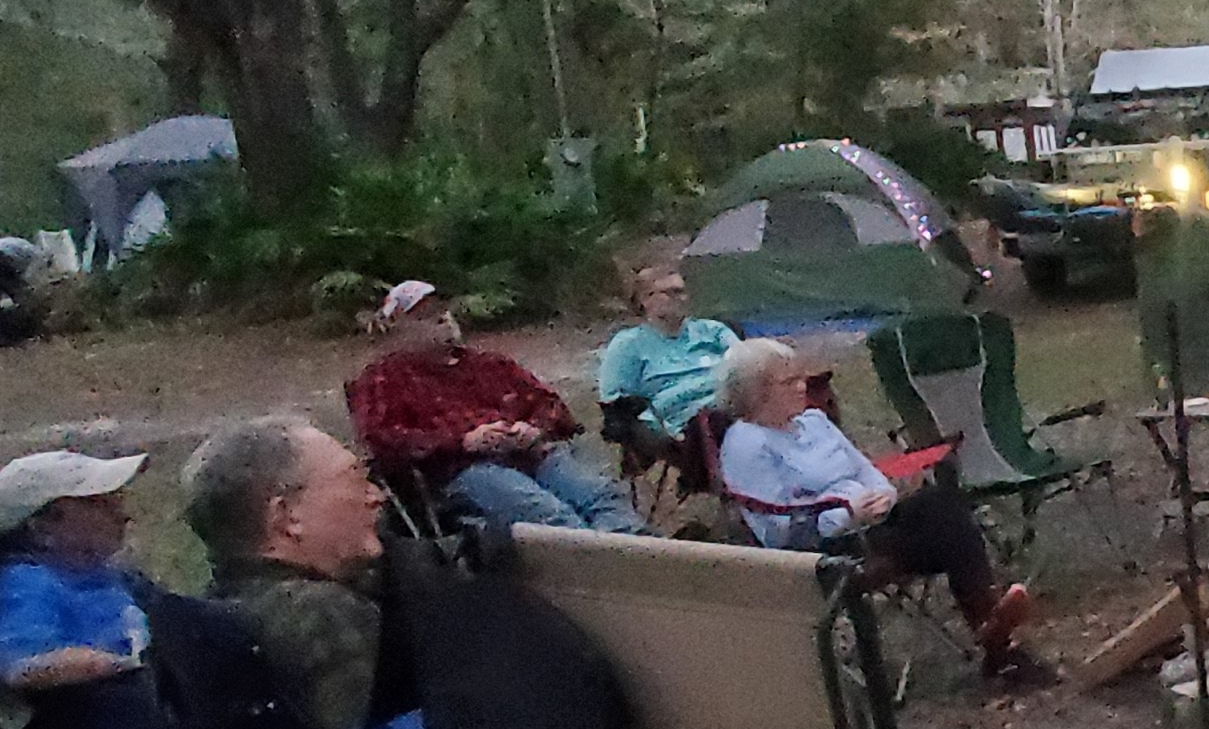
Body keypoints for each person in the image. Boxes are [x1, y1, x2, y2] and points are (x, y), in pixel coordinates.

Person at [710, 337, 1051, 688]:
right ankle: (997, 641)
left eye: (802, 377)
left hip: (871, 522)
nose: (803, 387)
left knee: (940, 503)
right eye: (789, 382)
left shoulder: (814, 422)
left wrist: (884, 495)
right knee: (942, 532)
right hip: (821, 550)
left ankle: (992, 626)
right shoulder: (747, 444)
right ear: (756, 392)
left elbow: (864, 469)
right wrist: (846, 512)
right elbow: (776, 528)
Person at [349, 279, 647, 534]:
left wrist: (533, 429)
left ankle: (644, 572)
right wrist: (463, 442)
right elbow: (382, 440)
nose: (443, 318)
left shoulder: (491, 365)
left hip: (530, 455)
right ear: (399, 329)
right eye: (425, 316)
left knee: (605, 497)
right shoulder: (383, 379)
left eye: (443, 310)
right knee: (550, 516)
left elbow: (551, 404)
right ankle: (602, 582)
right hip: (462, 471)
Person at [187, 414, 392, 729]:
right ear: (286, 516)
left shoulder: (220, 610)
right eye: (355, 479)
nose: (376, 496)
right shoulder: (323, 616)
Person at [0, 448, 155, 691]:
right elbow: (24, 667)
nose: (121, 514)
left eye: (117, 498)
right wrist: (126, 667)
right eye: (98, 503)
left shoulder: (109, 575)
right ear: (42, 525)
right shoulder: (28, 586)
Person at [595, 264, 741, 437]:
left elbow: (745, 361)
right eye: (671, 293)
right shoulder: (628, 344)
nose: (681, 299)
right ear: (645, 300)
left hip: (732, 405)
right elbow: (615, 402)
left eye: (682, 291)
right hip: (679, 424)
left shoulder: (712, 330)